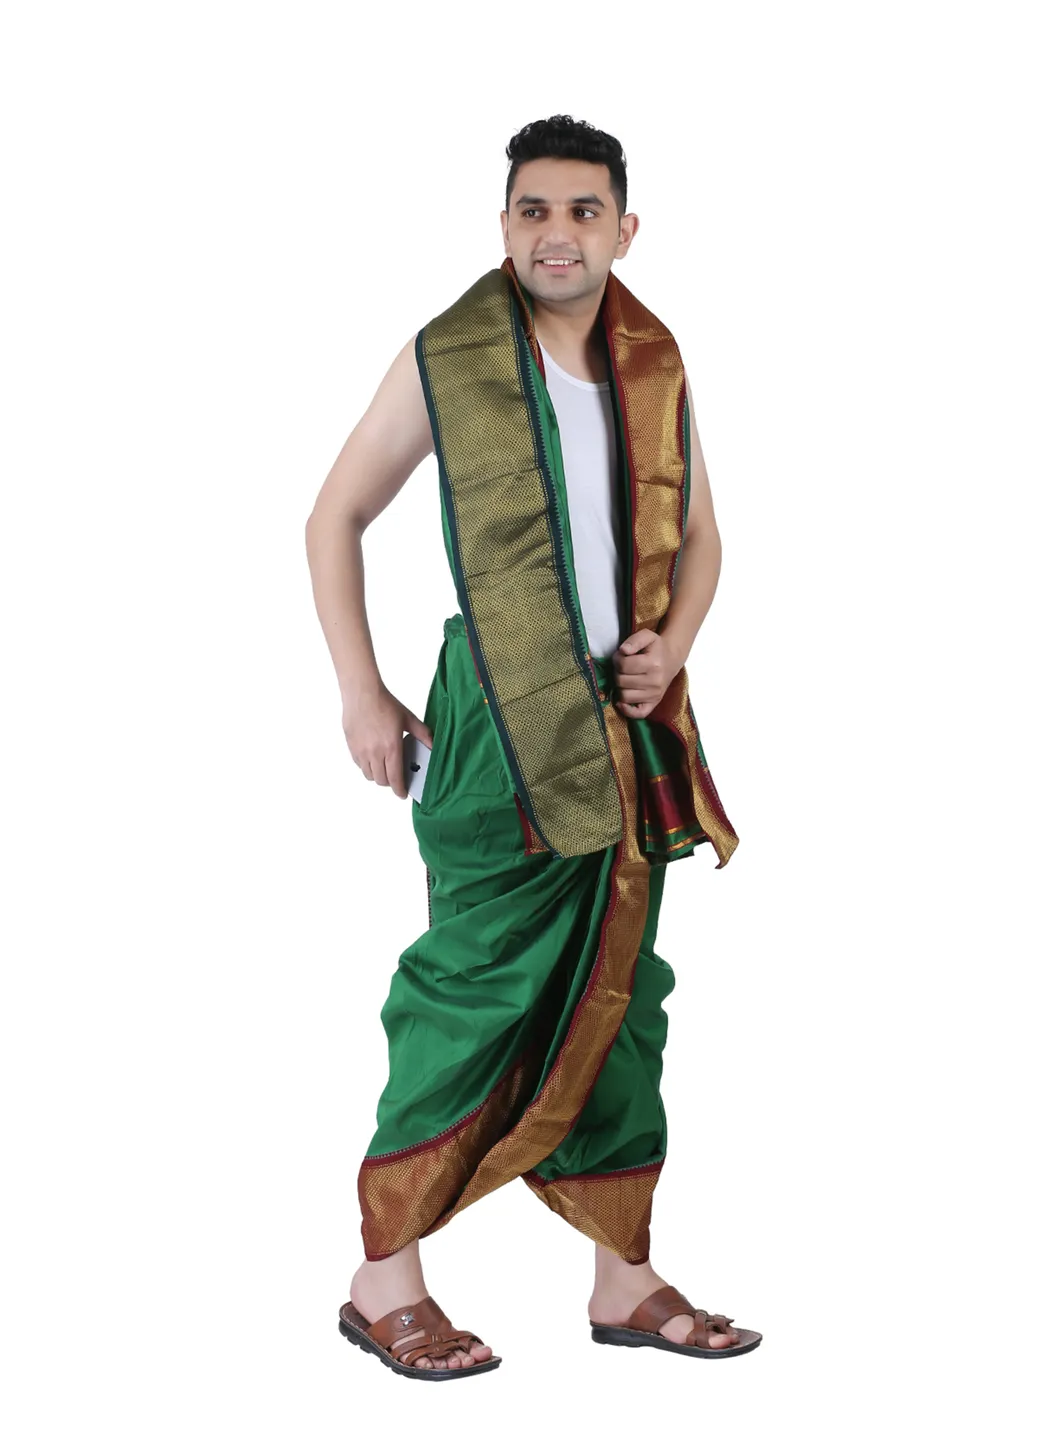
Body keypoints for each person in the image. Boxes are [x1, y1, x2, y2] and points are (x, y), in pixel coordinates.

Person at [305, 114, 761, 1379]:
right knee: (471, 987)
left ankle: (624, 1279)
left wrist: (672, 645)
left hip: (626, 728)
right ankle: (383, 1279)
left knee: (621, 997)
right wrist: (361, 690)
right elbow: (333, 515)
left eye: (582, 210)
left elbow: (704, 539)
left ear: (626, 228)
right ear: (503, 226)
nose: (558, 233)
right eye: (533, 210)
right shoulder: (449, 358)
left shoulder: (653, 361)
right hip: (496, 727)